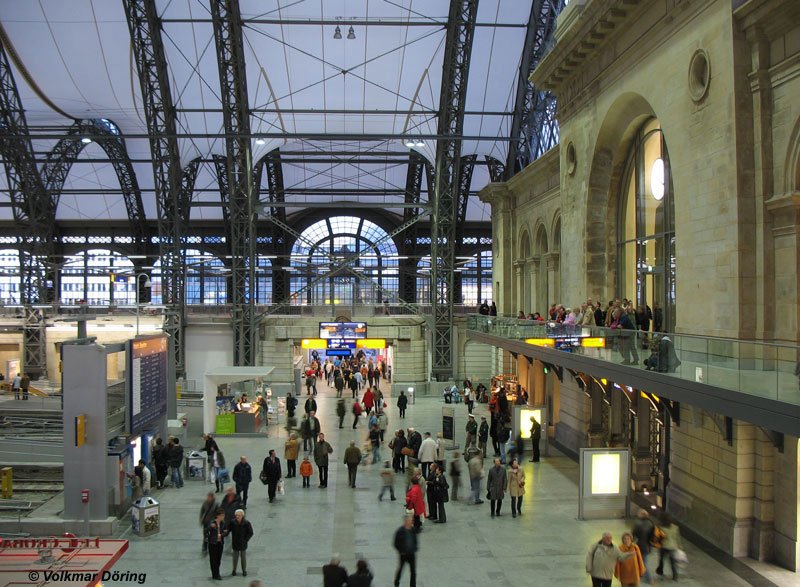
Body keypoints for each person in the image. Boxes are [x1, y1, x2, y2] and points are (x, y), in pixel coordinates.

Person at [655, 513, 682, 581]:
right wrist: (679, 546)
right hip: (673, 547)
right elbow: (677, 537)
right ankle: (675, 576)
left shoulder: (661, 528)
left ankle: (660, 571)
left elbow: (658, 538)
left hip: (664, 546)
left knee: (661, 559)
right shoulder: (675, 527)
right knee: (673, 562)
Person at [393, 515, 418, 587]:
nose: (411, 522)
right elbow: (395, 543)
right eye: (409, 521)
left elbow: (415, 540)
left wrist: (415, 548)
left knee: (413, 572)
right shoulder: (400, 531)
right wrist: (401, 551)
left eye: (411, 521)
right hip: (403, 554)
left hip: (411, 554)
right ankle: (397, 582)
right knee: (401, 569)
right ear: (405, 522)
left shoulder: (413, 530)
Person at [631, 510, 655, 583]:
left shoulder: (638, 524)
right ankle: (640, 574)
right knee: (641, 560)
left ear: (641, 515)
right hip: (648, 546)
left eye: (639, 514)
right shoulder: (651, 523)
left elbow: (633, 535)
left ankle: (649, 578)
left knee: (644, 562)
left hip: (641, 546)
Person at [229, 508, 254, 577]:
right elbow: (228, 529)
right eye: (236, 515)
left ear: (242, 516)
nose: (237, 516)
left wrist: (246, 539)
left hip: (243, 542)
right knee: (235, 557)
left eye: (239, 515)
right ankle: (234, 570)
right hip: (235, 542)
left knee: (243, 557)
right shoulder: (233, 522)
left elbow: (250, 532)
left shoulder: (246, 523)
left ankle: (244, 570)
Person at [206, 508, 228, 580]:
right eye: (222, 515)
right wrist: (210, 528)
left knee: (218, 559)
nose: (223, 517)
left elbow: (226, 532)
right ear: (218, 516)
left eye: (223, 515)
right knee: (213, 559)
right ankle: (215, 574)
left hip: (220, 543)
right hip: (213, 543)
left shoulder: (223, 523)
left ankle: (217, 573)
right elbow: (206, 530)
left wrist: (221, 535)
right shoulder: (212, 523)